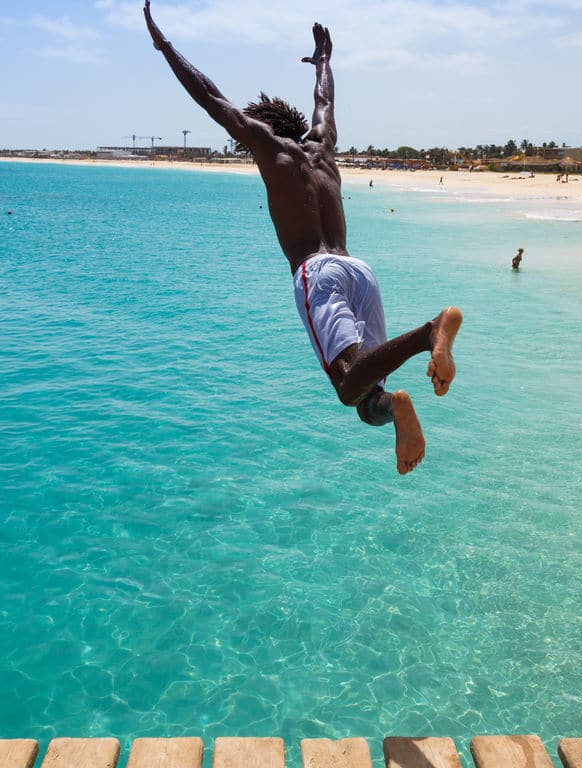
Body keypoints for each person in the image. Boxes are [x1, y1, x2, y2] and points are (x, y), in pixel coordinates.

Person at [144, 1, 461, 475]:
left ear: (263, 127)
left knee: (347, 383)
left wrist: (165, 47)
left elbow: (211, 99)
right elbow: (325, 103)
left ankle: (428, 332)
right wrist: (324, 61)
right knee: (366, 397)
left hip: (319, 272)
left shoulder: (269, 148)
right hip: (359, 270)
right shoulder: (323, 148)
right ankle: (398, 402)